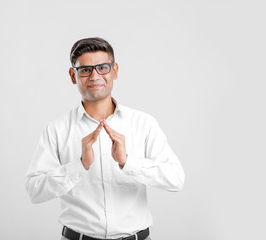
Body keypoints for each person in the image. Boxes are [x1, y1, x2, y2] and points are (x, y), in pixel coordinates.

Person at [25, 37, 185, 240]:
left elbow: (176, 179)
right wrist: (79, 166)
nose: (94, 76)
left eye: (102, 67)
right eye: (85, 70)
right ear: (73, 76)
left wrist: (127, 162)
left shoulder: (143, 123)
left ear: (115, 70)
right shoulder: (56, 129)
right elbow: (34, 191)